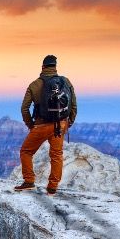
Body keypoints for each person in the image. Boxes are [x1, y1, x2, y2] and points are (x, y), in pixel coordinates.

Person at [14, 54, 77, 194]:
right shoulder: (65, 82)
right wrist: (68, 123)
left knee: (26, 151)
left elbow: (24, 108)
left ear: (43, 67)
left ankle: (29, 181)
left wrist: (31, 125)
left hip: (41, 125)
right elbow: (73, 105)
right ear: (55, 67)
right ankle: (52, 187)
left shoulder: (34, 84)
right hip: (60, 125)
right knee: (56, 155)